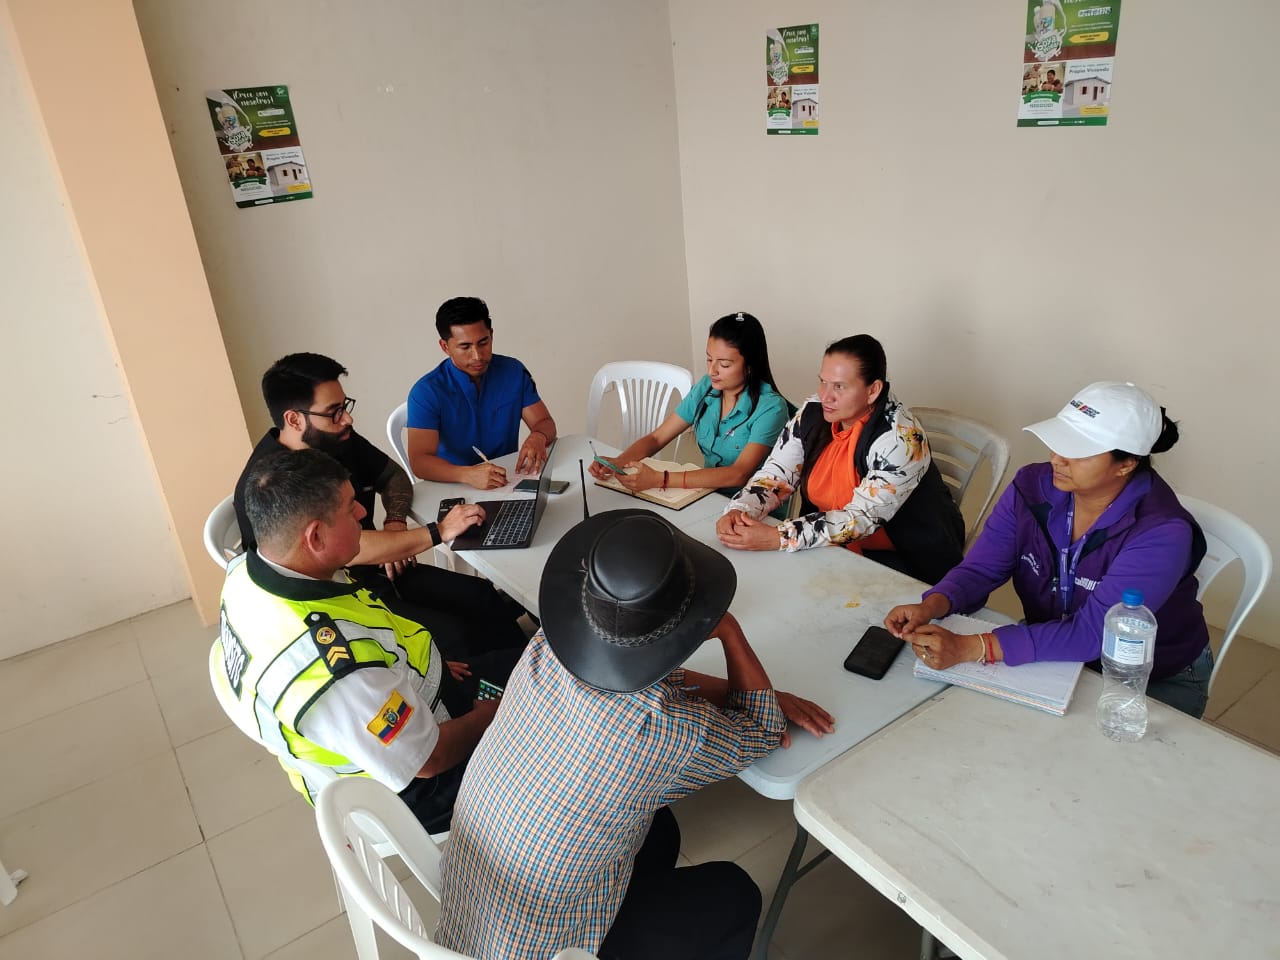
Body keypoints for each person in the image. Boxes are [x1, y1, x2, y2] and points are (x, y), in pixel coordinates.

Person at [435, 510, 835, 960]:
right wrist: (728, 629)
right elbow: (762, 729)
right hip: (549, 950)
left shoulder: (547, 647)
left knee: (660, 830)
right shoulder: (666, 731)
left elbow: (649, 679)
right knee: (733, 893)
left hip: (471, 918)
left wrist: (738, 689)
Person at [885, 381, 1213, 718]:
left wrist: (972, 647)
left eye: (1078, 452)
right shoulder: (1031, 487)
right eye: (1058, 442)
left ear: (1126, 464)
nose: (1057, 458)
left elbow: (1090, 634)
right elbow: (982, 569)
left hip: (1147, 676)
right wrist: (933, 604)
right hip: (1055, 653)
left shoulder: (1162, 532)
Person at [214, 448, 500, 832]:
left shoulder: (246, 574)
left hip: (407, 710)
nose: (364, 512)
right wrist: (490, 716)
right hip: (415, 791)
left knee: (524, 666)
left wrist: (422, 675)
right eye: (351, 509)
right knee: (553, 719)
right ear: (316, 536)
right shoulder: (337, 671)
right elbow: (428, 759)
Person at [234, 352, 528, 662]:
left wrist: (395, 524)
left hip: (381, 569)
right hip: (340, 601)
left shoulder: (337, 439)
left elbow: (393, 476)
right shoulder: (276, 484)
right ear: (294, 419)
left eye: (345, 406)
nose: (347, 419)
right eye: (333, 412)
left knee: (481, 596)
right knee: (454, 636)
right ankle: (490, 683)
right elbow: (353, 548)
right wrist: (439, 531)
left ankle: (530, 671)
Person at [716, 334, 964, 585]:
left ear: (873, 390)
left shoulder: (902, 439)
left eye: (839, 387)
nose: (826, 396)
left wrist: (779, 537)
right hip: (832, 541)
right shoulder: (814, 413)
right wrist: (741, 510)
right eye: (823, 382)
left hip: (905, 555)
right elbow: (777, 475)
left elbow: (861, 518)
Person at [588, 312, 790, 497]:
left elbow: (739, 474)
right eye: (709, 360)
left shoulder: (771, 408)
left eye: (724, 364)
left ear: (751, 366)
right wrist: (618, 462)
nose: (712, 371)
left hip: (753, 505)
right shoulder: (706, 388)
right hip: (708, 494)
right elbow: (657, 438)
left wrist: (660, 479)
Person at [406, 296, 557, 490]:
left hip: (508, 481)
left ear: (491, 335)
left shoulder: (513, 372)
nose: (477, 356)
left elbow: (545, 422)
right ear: (445, 347)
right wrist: (467, 475)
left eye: (483, 342)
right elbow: (419, 462)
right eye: (465, 347)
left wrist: (538, 436)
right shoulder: (426, 392)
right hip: (454, 487)